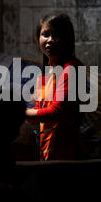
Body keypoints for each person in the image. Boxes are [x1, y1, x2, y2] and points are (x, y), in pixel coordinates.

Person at [25, 13, 85, 160]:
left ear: (67, 40)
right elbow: (40, 111)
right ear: (38, 38)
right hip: (47, 145)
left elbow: (57, 111)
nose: (50, 40)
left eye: (56, 35)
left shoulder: (72, 69)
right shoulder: (47, 72)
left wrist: (21, 113)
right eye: (45, 34)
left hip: (66, 149)